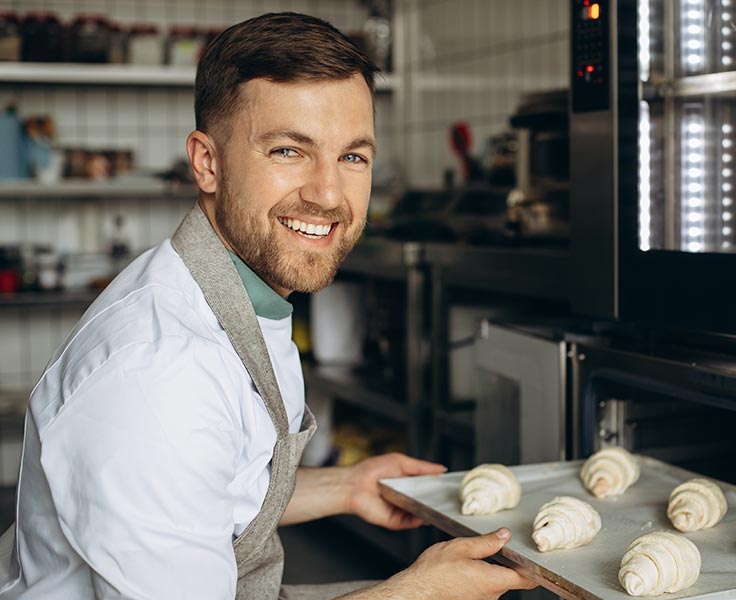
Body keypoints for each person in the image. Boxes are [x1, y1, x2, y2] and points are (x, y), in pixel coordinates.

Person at [0, 12, 538, 600]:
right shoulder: (159, 374)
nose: (328, 194)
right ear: (207, 162)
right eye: (288, 150)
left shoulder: (232, 292)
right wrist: (416, 593)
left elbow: (204, 492)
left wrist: (345, 486)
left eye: (353, 157)